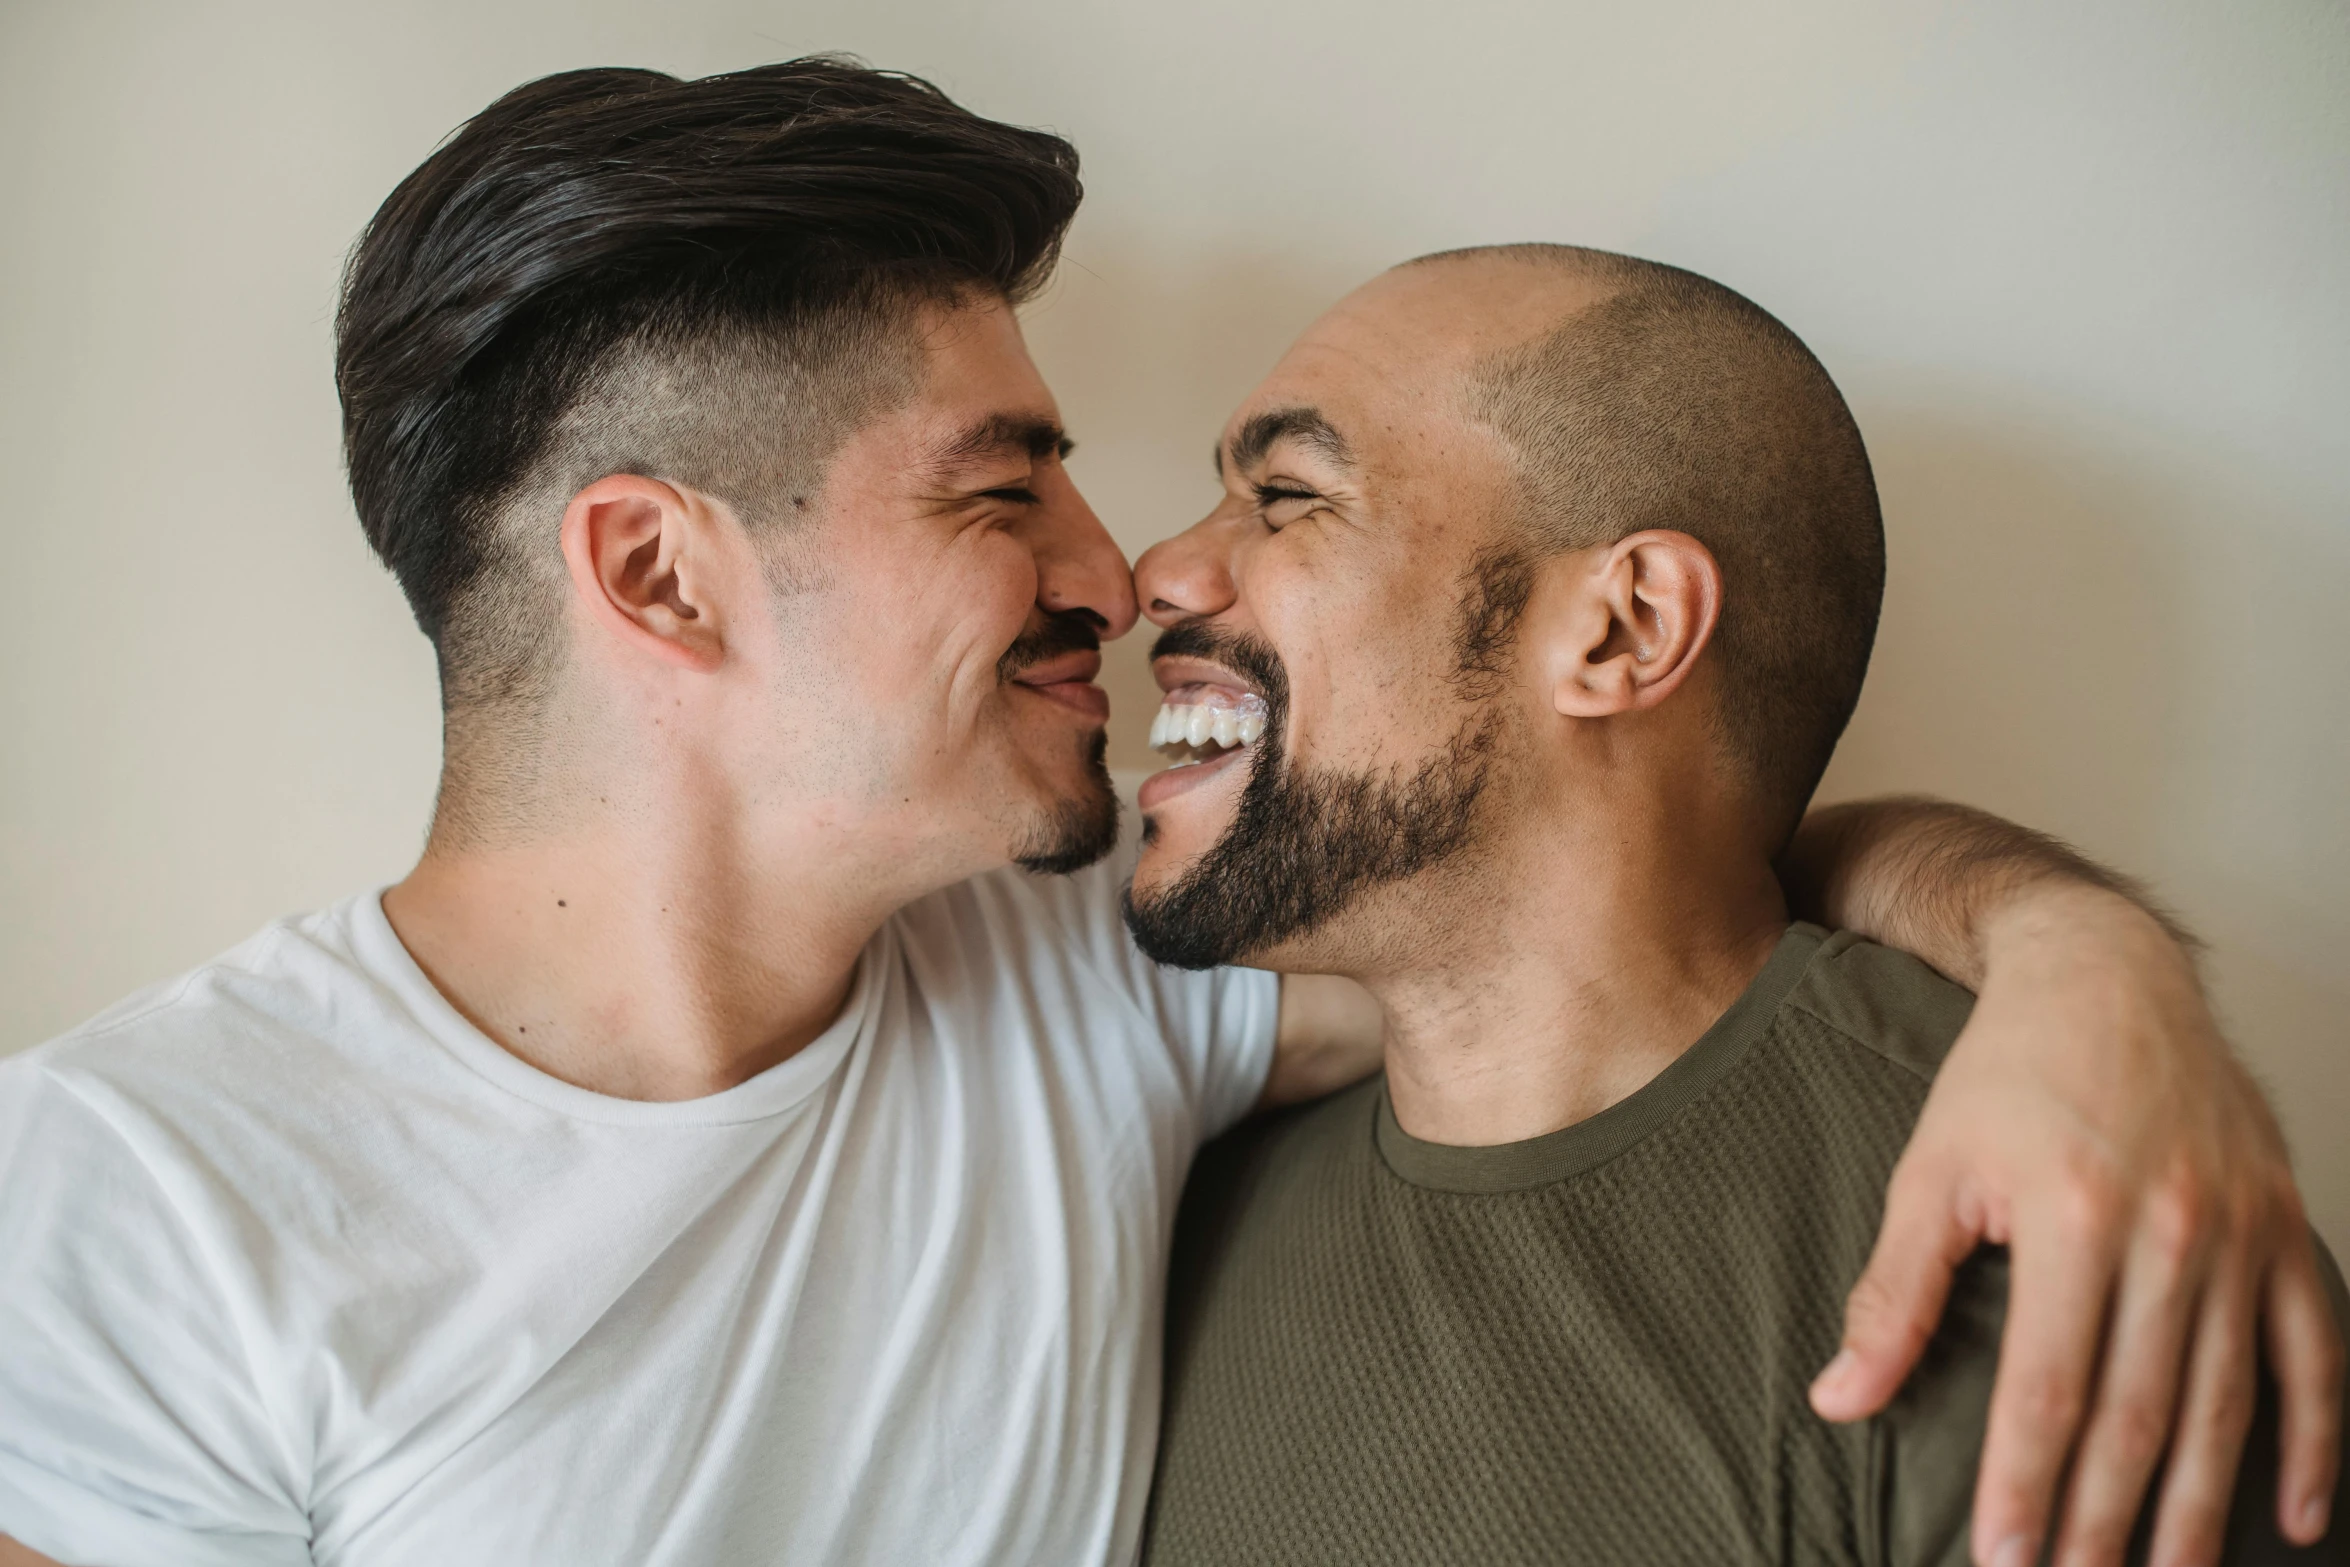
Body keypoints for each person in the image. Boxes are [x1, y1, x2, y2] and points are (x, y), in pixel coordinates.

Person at [0, 61, 2332, 1567]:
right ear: (655, 572)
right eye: (1003, 482)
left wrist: (2075, 962)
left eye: (1240, 495)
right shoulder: (131, 1203)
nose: (1124, 582)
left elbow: (1596, 884)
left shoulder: (1104, 995)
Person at [1130, 245, 2348, 1567]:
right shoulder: (1171, 1175)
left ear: (1621, 630)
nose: (1160, 569)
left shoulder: (2049, 1222)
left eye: (1288, 495)